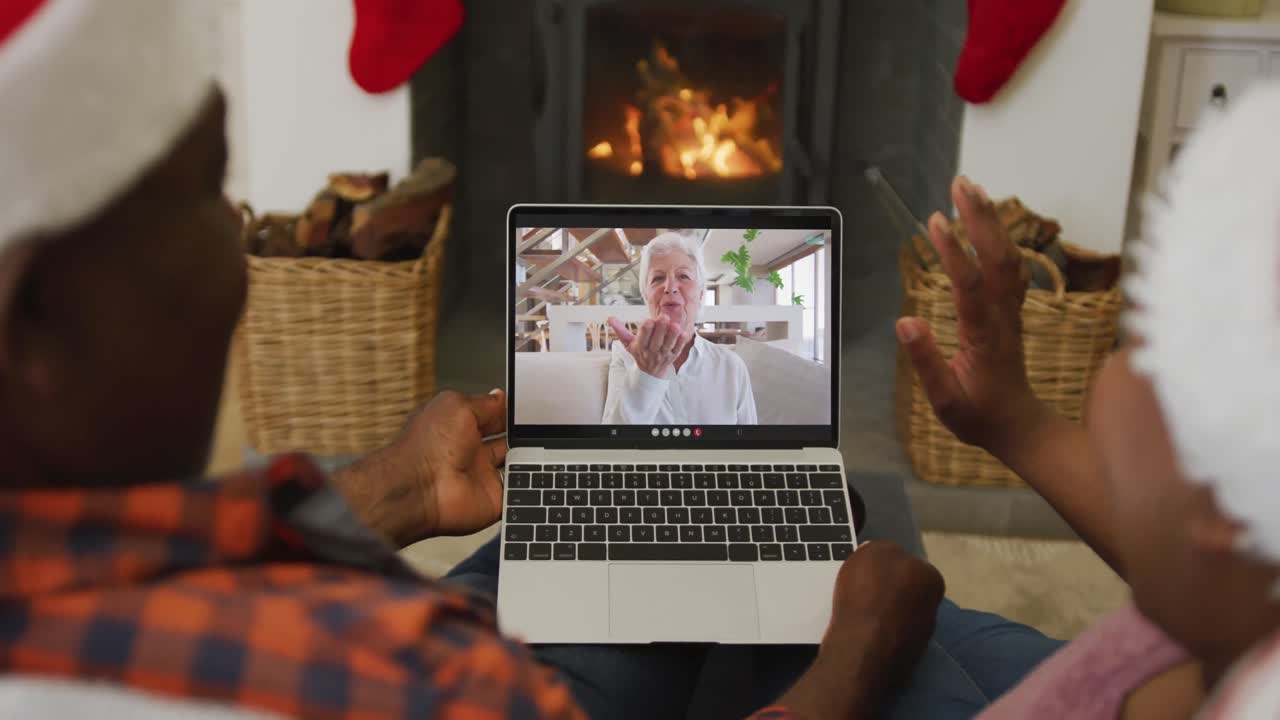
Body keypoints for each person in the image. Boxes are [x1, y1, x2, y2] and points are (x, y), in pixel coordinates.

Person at [0, 2, 963, 718]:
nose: (243, 259)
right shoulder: (435, 681)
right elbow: (616, 439)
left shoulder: (83, 566)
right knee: (878, 626)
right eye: (212, 191)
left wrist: (405, 488)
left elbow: (176, 547)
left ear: (704, 296)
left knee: (587, 548)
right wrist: (856, 659)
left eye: (687, 285)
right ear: (37, 310)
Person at [896, 85, 1280, 718]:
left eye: (1143, 337)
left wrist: (847, 658)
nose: (1118, 364)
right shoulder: (1235, 608)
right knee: (928, 617)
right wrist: (1019, 424)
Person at [602, 232, 758, 425]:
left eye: (683, 276)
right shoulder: (624, 356)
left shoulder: (731, 366)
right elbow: (612, 449)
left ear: (701, 295)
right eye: (657, 279)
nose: (670, 286)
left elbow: (750, 450)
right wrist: (646, 375)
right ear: (646, 296)